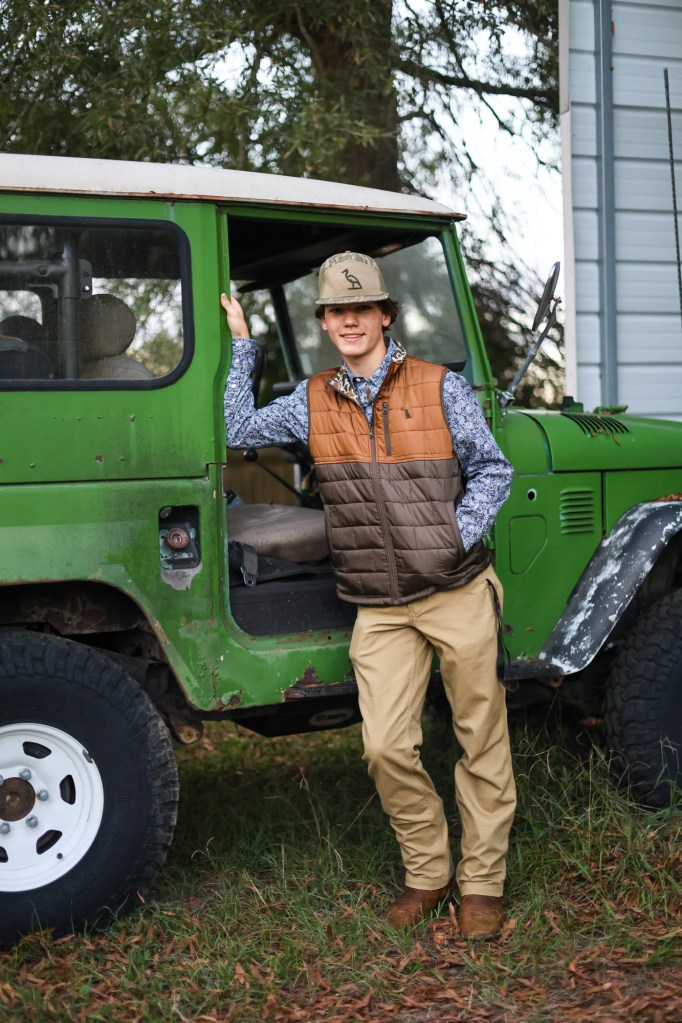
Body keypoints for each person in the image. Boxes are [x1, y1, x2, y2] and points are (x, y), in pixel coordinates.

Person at [221, 251, 516, 940]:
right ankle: (428, 872)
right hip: (380, 606)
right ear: (325, 323)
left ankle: (483, 884)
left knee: (480, 738)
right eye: (336, 311)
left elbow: (493, 471)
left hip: (455, 588)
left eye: (362, 308)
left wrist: (451, 537)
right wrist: (242, 347)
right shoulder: (313, 399)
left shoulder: (440, 387)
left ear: (385, 314)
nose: (349, 320)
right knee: (385, 746)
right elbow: (237, 430)